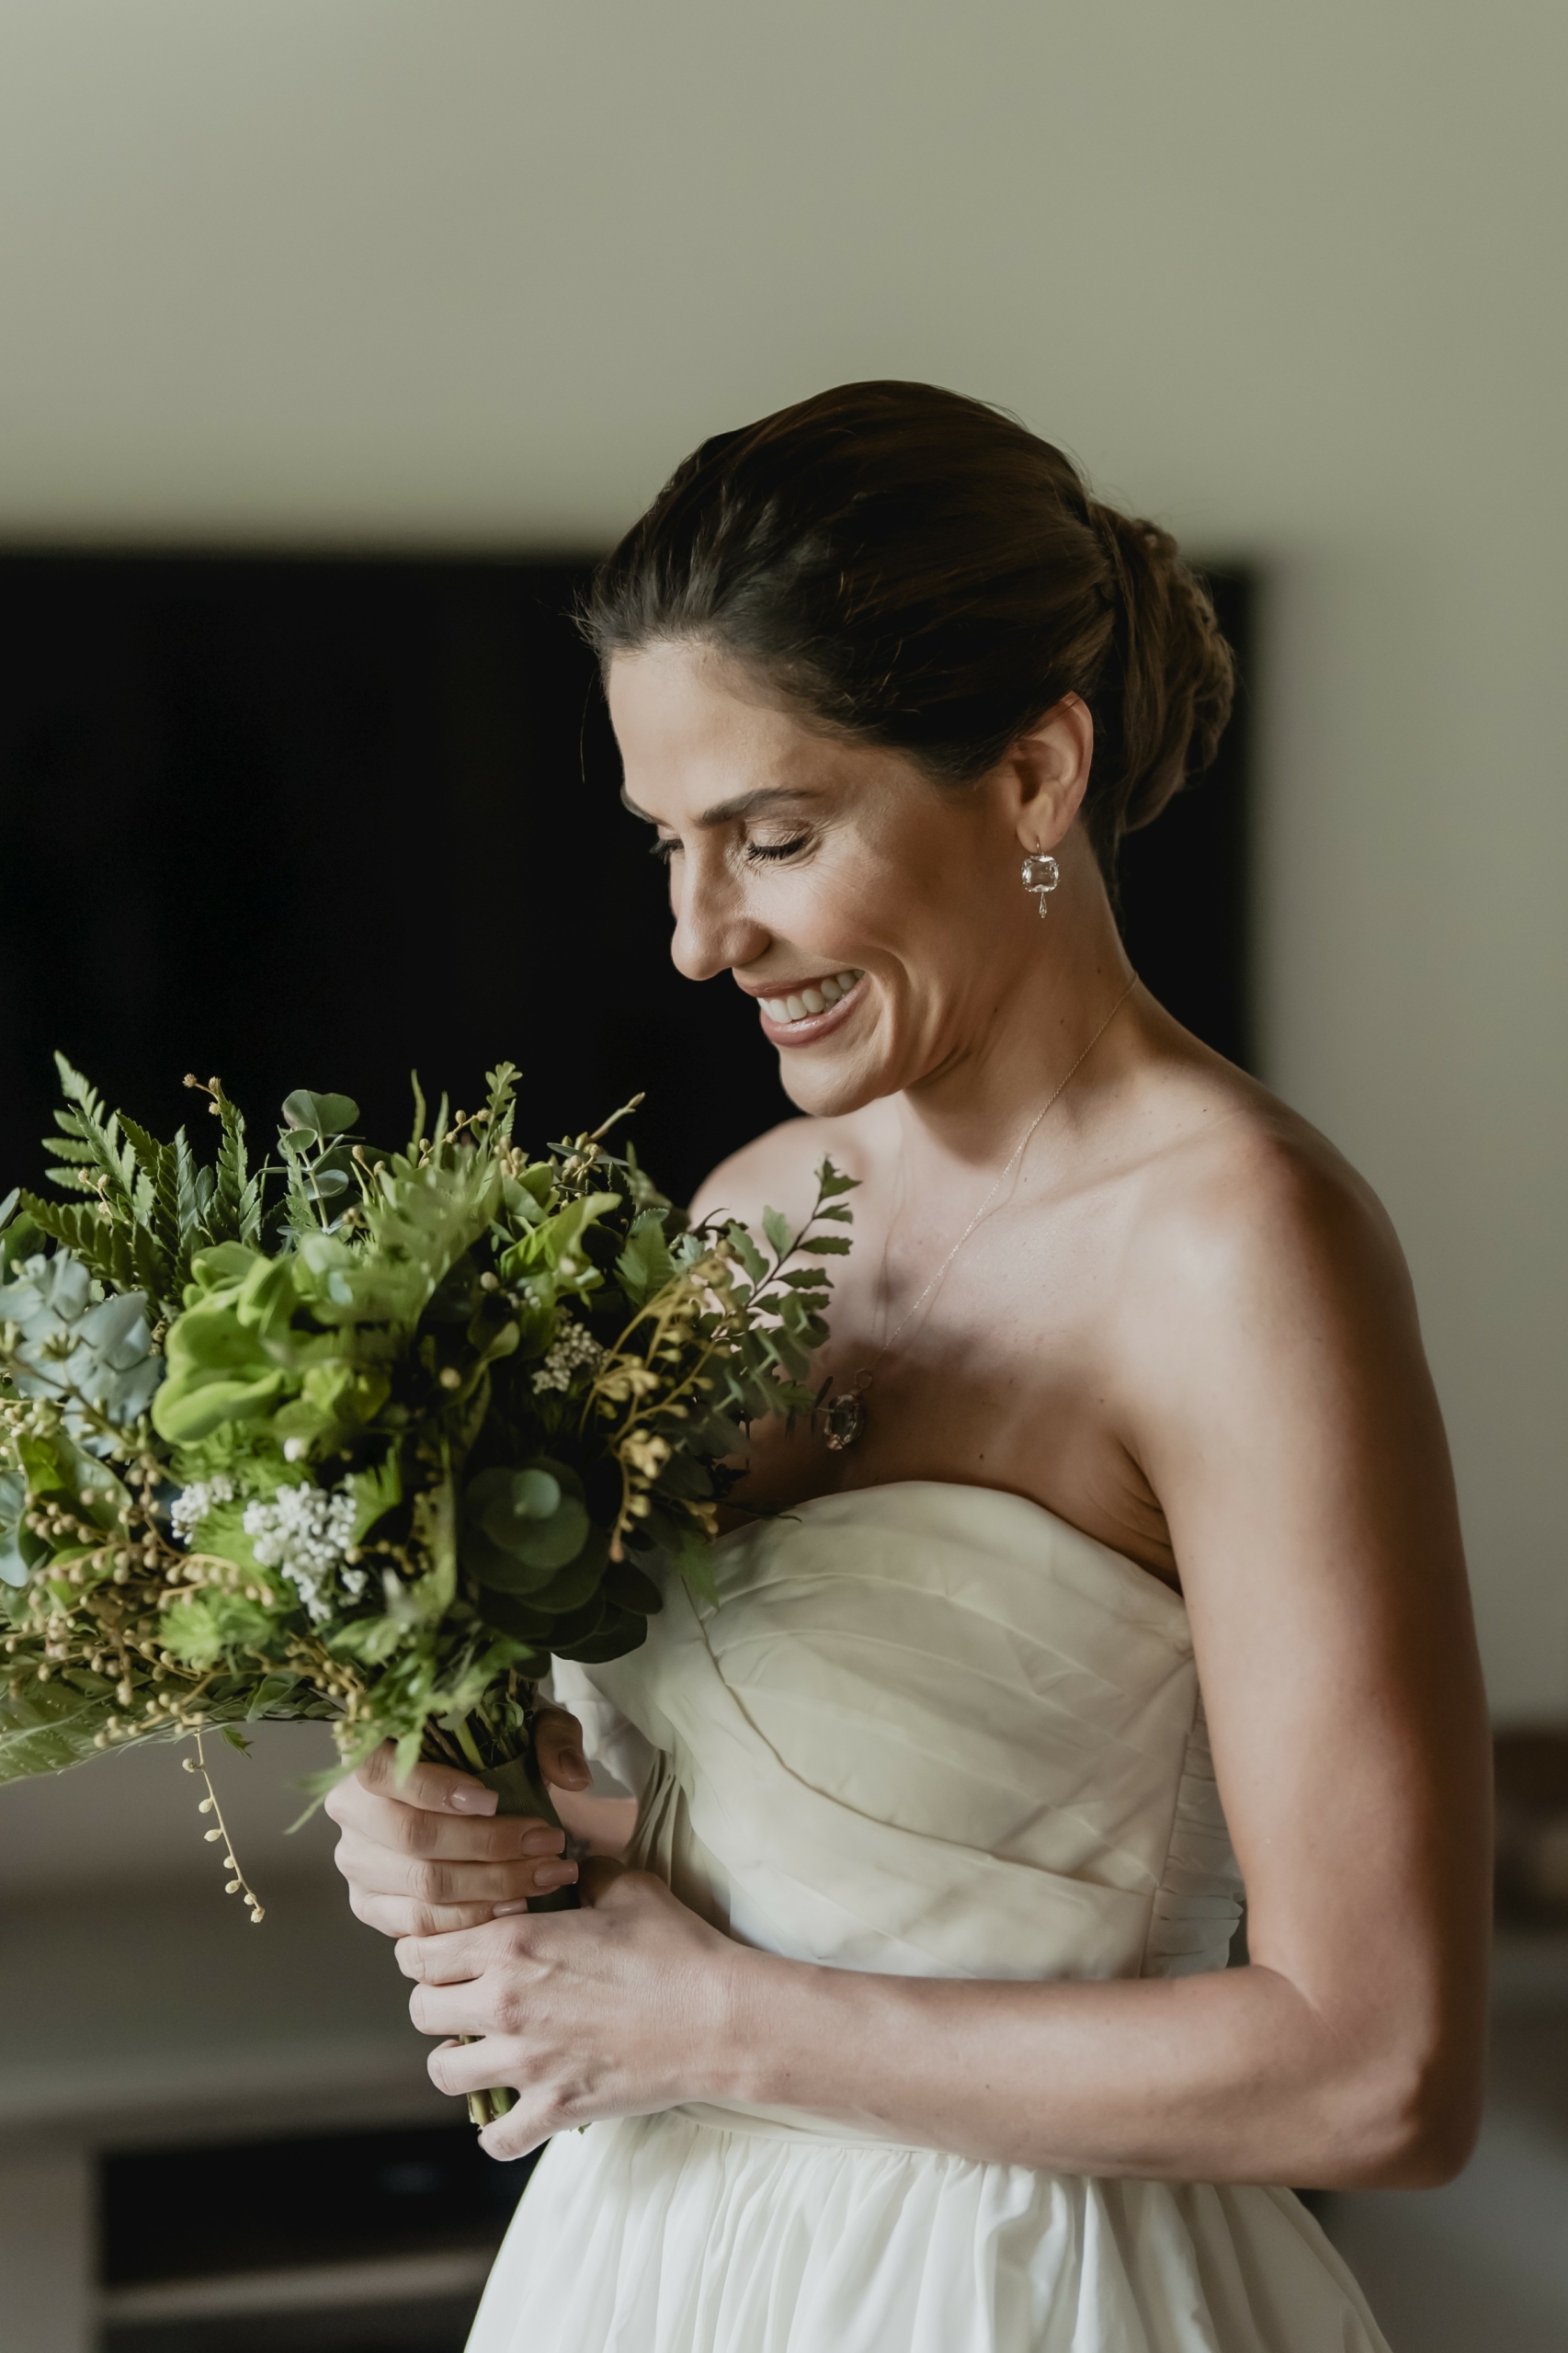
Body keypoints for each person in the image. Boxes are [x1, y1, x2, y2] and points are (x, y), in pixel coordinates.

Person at [326, 382, 1490, 2351]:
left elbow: (1375, 2066)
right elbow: (731, 1833)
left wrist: (721, 2022)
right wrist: (459, 1819)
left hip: (1025, 2292)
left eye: (773, 834)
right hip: (651, 2271)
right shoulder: (743, 1211)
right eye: (668, 844)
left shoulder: (1239, 1248)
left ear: (1035, 777)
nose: (701, 937)